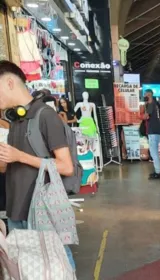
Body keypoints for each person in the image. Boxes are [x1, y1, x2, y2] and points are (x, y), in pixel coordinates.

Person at [0, 60, 76, 268]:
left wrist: (19, 156)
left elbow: (66, 166)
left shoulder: (45, 116)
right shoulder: (15, 120)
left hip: (40, 211)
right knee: (30, 269)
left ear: (9, 83)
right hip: (15, 211)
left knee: (58, 265)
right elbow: (13, 165)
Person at [144, 89, 160, 179]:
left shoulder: (151, 104)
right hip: (157, 130)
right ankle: (157, 170)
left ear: (149, 95)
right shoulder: (156, 104)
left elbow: (146, 116)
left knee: (154, 153)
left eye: (145, 95)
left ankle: (158, 173)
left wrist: (143, 112)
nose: (144, 97)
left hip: (153, 131)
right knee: (154, 152)